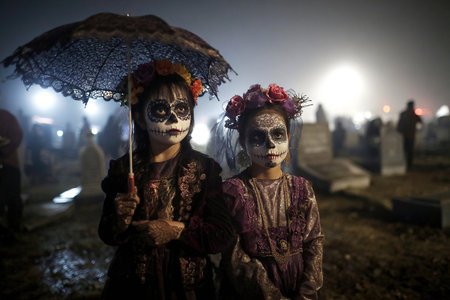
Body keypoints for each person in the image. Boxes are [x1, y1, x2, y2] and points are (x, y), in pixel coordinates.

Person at [98, 60, 233, 299]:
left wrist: (178, 230)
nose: (173, 119)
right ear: (140, 118)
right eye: (160, 109)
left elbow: (222, 234)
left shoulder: (205, 170)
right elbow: (107, 234)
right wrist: (120, 219)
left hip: (188, 286)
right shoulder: (123, 169)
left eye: (182, 109)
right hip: (133, 286)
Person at [216, 84, 324, 299]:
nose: (270, 145)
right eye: (258, 137)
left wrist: (308, 292)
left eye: (278, 134)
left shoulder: (303, 188)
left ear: (289, 138)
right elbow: (236, 257)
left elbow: (314, 242)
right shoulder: (231, 192)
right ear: (243, 142)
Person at [0, 108, 24, 232]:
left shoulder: (6, 117)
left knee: (13, 198)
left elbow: (17, 135)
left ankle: (13, 229)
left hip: (9, 164)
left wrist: (4, 148)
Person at [397, 100, 422, 169]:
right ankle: (409, 165)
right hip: (410, 135)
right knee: (409, 151)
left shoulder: (403, 113)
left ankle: (405, 164)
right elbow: (420, 122)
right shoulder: (413, 114)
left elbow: (399, 124)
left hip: (405, 135)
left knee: (405, 150)